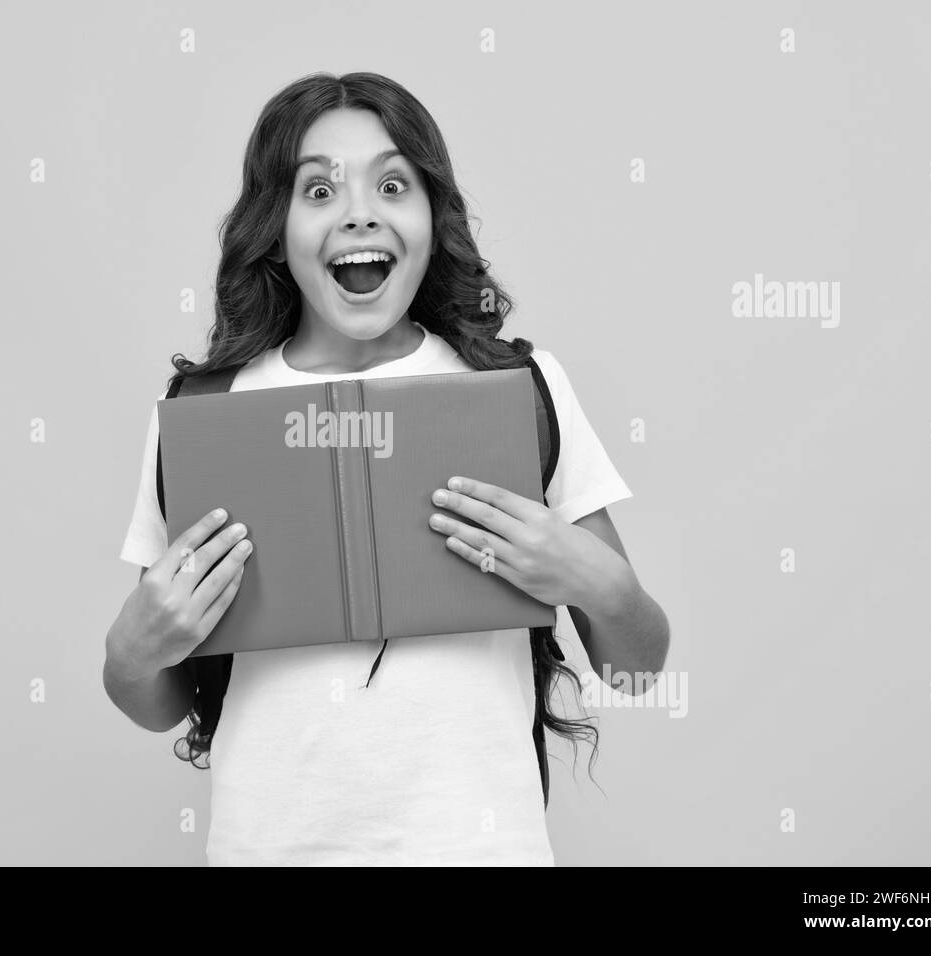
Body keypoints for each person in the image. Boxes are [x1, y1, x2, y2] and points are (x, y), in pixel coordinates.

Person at [103, 71, 670, 866]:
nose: (359, 211)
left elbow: (639, 669)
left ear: (433, 219)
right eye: (319, 189)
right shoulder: (207, 411)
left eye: (392, 184)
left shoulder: (516, 387)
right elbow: (155, 699)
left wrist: (595, 581)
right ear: (277, 225)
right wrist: (127, 656)